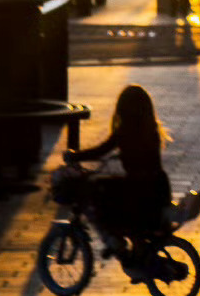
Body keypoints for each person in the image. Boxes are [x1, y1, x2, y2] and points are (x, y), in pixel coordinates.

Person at [63, 84, 172, 255]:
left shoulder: (125, 130)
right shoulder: (152, 129)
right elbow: (141, 155)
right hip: (157, 185)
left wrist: (74, 156)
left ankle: (111, 238)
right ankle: (133, 250)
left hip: (139, 187)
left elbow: (102, 149)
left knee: (97, 190)